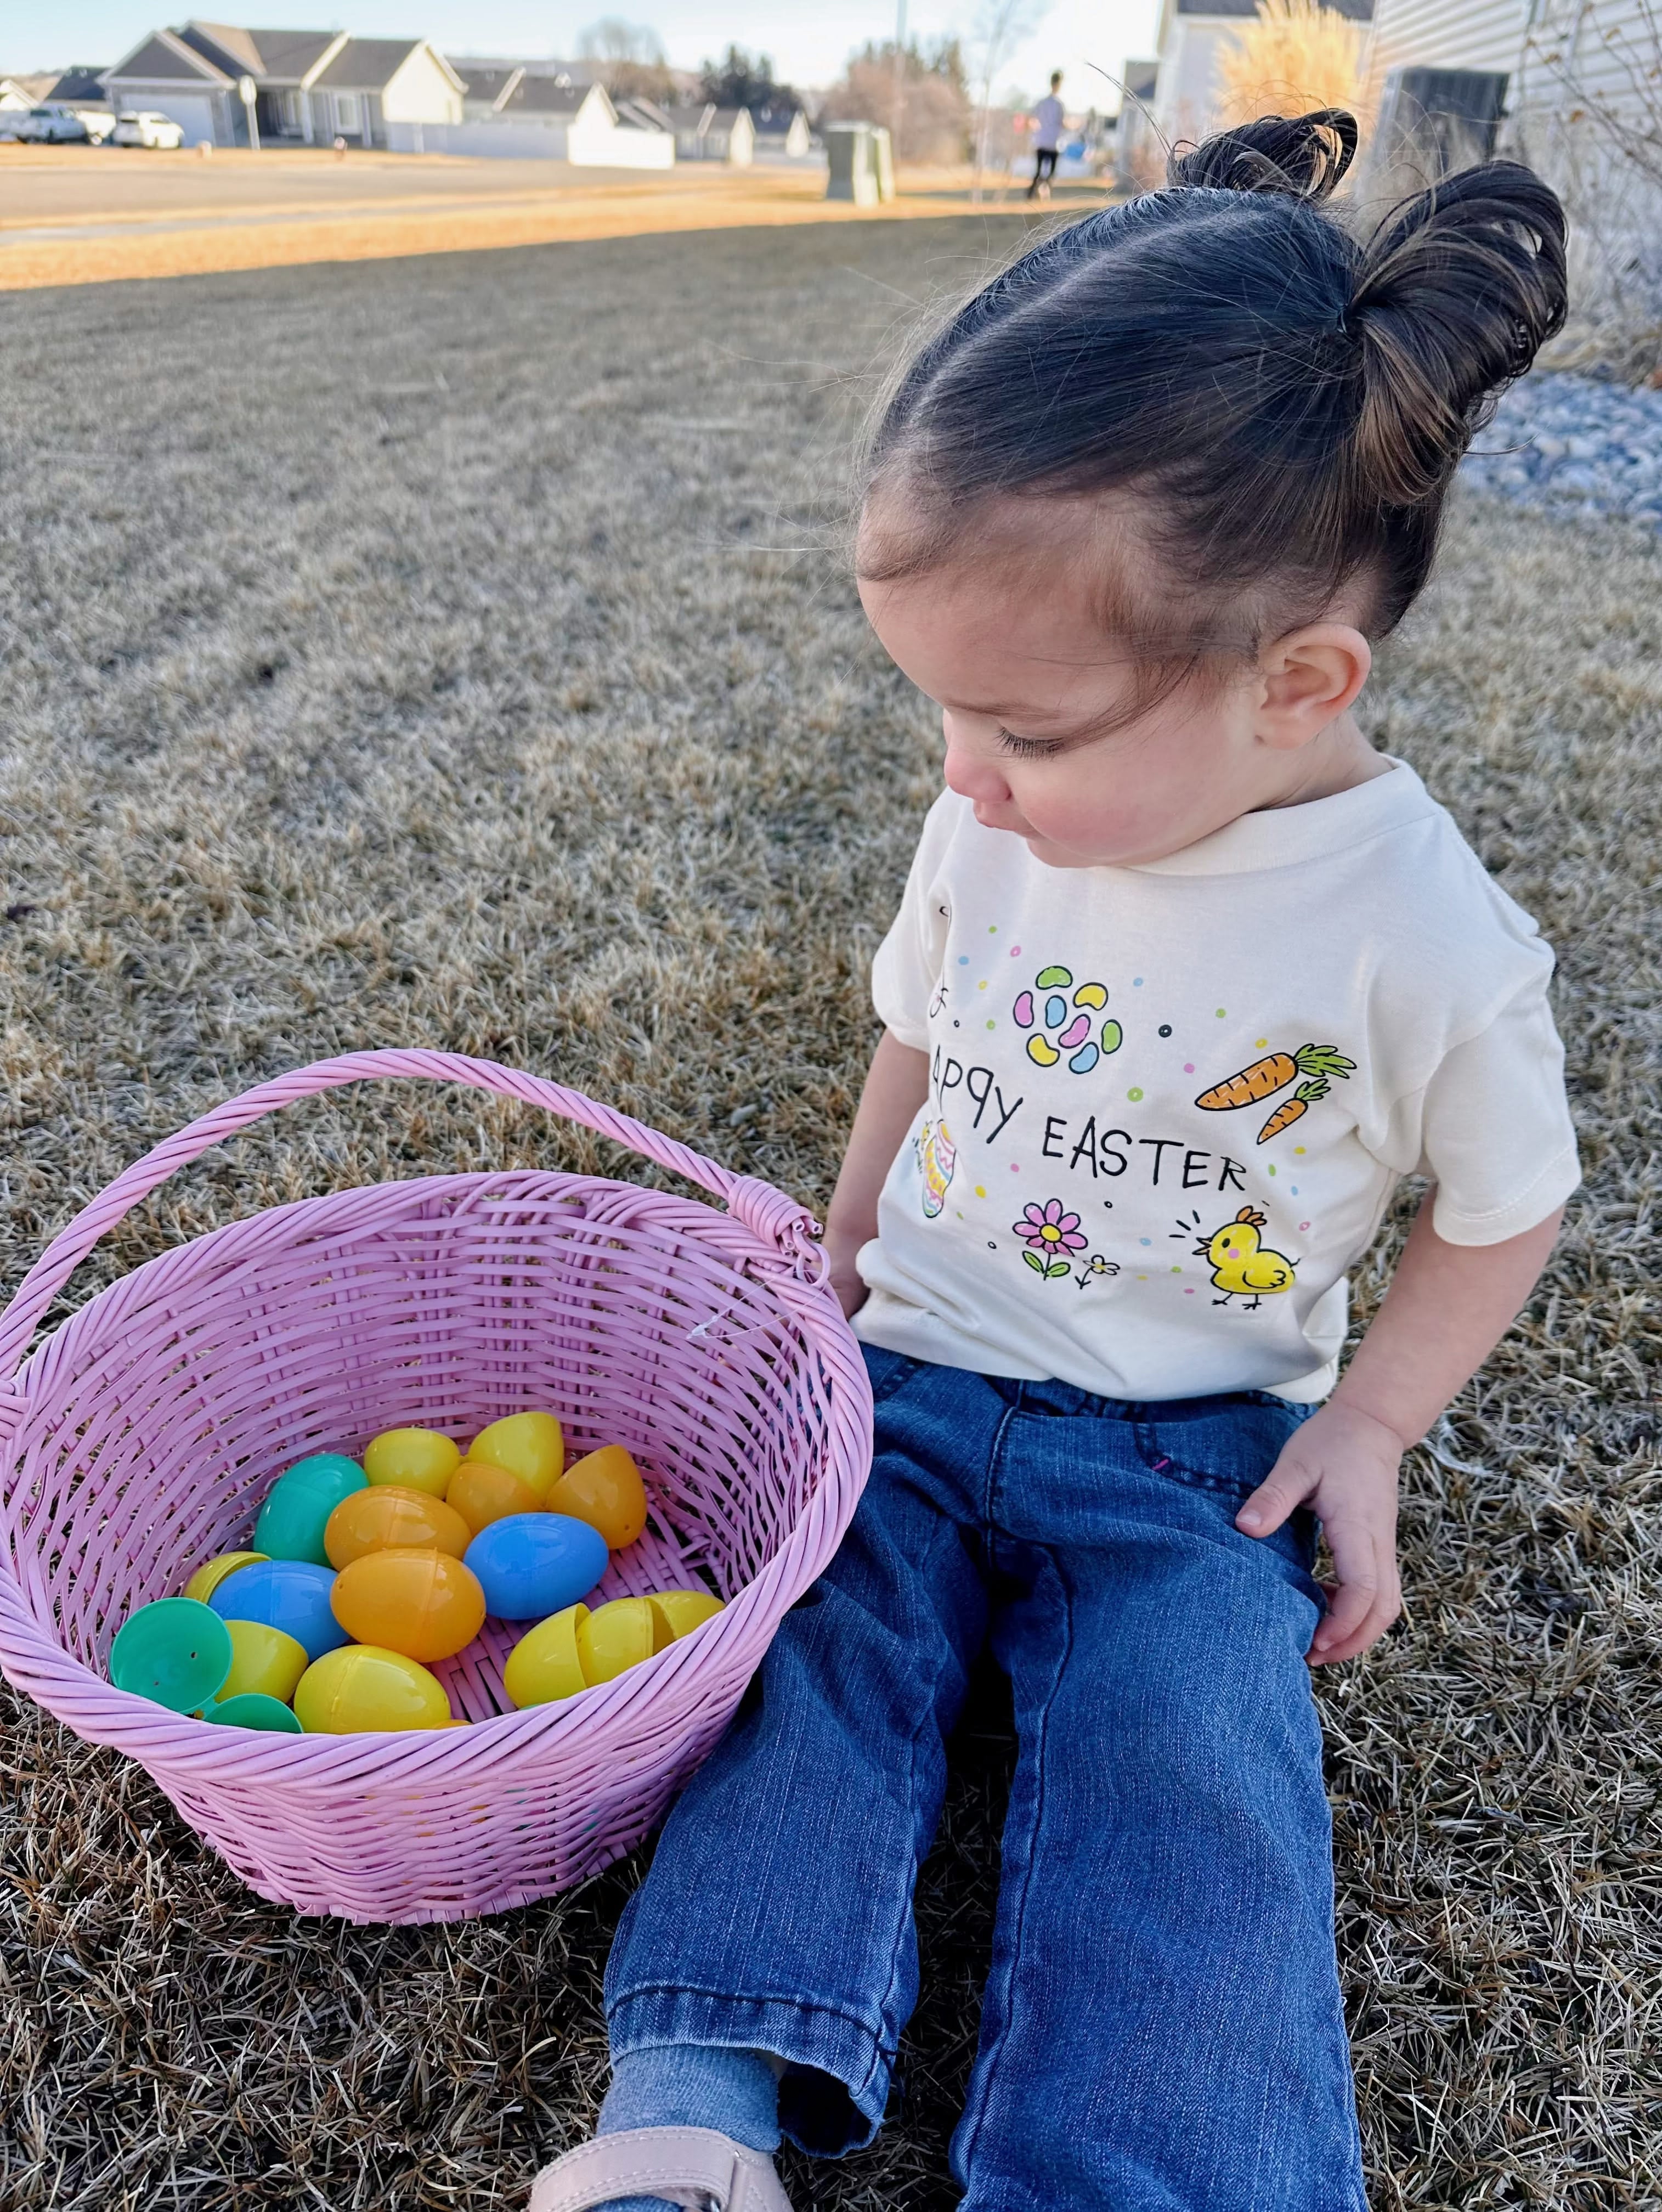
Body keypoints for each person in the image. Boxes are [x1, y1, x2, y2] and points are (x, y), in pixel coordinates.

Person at [529, 111, 1577, 2212]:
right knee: (794, 1674)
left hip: (1196, 1453)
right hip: (912, 1389)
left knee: (1196, 1782)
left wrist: (1370, 1425)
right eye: (941, 717)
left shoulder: (1422, 935)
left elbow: (1505, 1202)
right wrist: (834, 1263)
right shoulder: (987, 826)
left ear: (1295, 683)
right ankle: (693, 2109)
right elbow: (920, 1036)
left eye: (1024, 730)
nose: (962, 779)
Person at [1028, 70, 1064, 199]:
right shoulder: (1059, 104)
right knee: (1049, 173)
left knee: (1039, 171)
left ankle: (1032, 194)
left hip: (1042, 141)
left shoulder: (1042, 103)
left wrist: (1035, 129)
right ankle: (1041, 192)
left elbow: (1031, 118)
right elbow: (1062, 123)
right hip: (1053, 143)